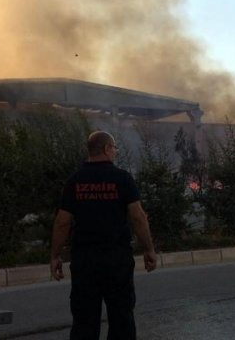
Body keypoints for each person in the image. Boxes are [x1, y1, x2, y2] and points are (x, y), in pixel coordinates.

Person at [51, 131, 157, 340]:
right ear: (107, 149)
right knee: (121, 318)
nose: (115, 152)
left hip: (84, 261)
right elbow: (138, 217)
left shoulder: (75, 181)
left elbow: (62, 221)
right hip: (116, 260)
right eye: (114, 148)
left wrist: (55, 256)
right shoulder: (122, 178)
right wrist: (149, 249)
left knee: (84, 321)